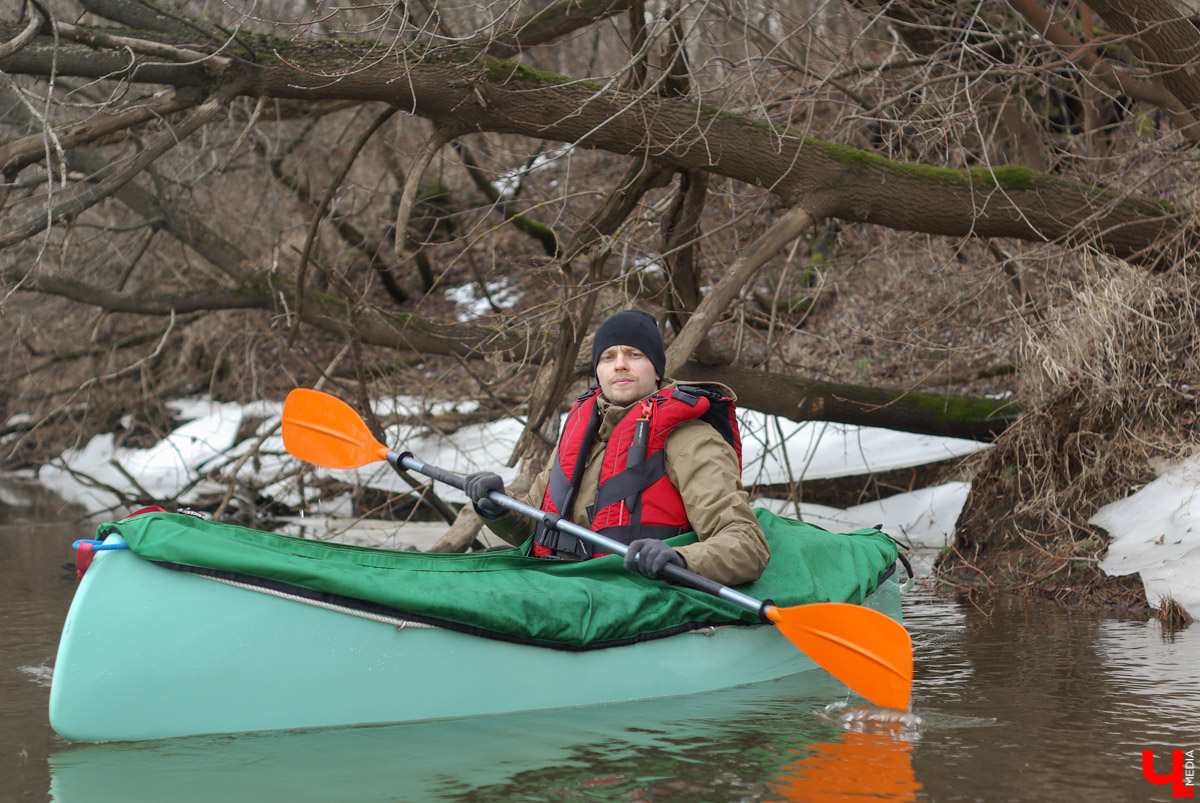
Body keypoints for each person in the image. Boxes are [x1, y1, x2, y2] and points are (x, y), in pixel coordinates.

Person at [464, 309, 769, 587]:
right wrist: (498, 507)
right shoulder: (579, 434)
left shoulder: (691, 440)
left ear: (657, 369)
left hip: (634, 594)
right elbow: (536, 529)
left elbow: (746, 544)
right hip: (560, 584)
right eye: (608, 357)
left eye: (634, 354)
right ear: (598, 371)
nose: (620, 364)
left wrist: (681, 559)